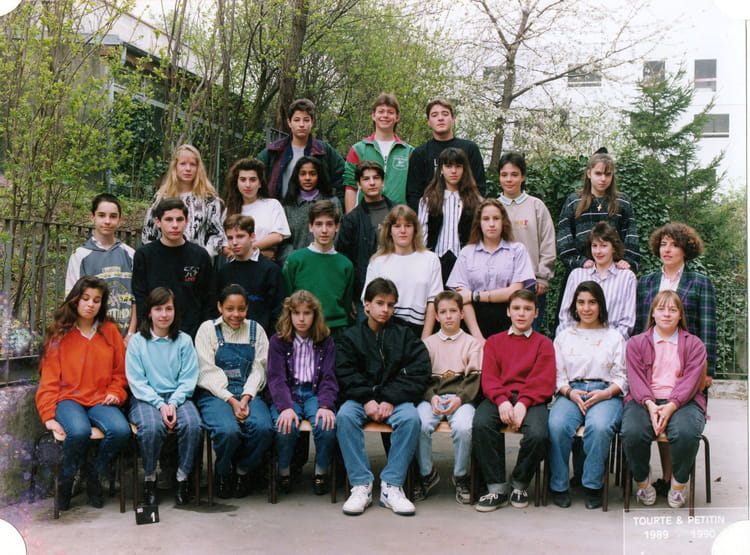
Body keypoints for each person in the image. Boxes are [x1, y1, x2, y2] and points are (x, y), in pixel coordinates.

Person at [335, 278, 431, 516]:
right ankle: (361, 485)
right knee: (345, 416)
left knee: (411, 418)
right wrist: (367, 399)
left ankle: (392, 486)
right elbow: (344, 372)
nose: (385, 309)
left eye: (390, 305)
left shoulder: (405, 336)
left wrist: (389, 398)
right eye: (379, 303)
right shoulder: (350, 336)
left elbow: (418, 372)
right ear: (366, 304)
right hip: (360, 400)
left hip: (395, 401)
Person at [35, 276, 130, 511]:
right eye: (85, 298)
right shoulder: (59, 334)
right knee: (78, 432)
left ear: (102, 304)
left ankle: (94, 475)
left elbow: (120, 372)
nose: (90, 304)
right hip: (68, 399)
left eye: (97, 300)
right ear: (75, 300)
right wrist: (48, 416)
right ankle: (66, 481)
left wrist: (115, 392)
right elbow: (49, 379)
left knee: (121, 431)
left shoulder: (110, 331)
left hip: (100, 398)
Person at [621, 290, 707, 509]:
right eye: (661, 309)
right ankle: (642, 481)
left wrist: (671, 406)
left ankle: (678, 484)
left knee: (686, 433)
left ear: (680, 315)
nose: (666, 314)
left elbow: (691, 382)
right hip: (643, 400)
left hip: (684, 401)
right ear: (652, 314)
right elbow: (636, 380)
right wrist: (650, 405)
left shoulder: (694, 344)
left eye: (672, 309)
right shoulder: (636, 343)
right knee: (632, 432)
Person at [472, 289, 555, 512]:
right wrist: (502, 401)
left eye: (527, 309)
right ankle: (496, 487)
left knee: (539, 434)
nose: (521, 313)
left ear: (536, 313)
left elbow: (543, 380)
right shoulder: (494, 342)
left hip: (532, 399)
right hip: (500, 396)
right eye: (516, 308)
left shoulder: (544, 344)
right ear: (508, 311)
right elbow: (489, 378)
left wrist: (523, 403)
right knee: (481, 424)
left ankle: (519, 483)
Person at [548, 281, 627, 510]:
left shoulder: (615, 337)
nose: (586, 308)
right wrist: (570, 392)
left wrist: (606, 393)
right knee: (557, 425)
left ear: (600, 305)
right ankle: (559, 485)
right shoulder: (564, 336)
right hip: (571, 391)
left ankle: (593, 485)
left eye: (592, 302)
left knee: (599, 427)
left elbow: (622, 376)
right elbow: (557, 375)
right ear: (574, 306)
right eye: (581, 302)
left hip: (606, 392)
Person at [194, 284, 274, 498]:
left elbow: (259, 368)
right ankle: (223, 471)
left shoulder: (256, 330)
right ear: (220, 307)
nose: (236, 314)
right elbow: (206, 371)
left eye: (241, 309)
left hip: (249, 392)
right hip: (215, 394)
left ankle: (243, 471)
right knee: (227, 431)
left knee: (264, 428)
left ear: (247, 308)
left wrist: (246, 398)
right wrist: (231, 400)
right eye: (230, 309)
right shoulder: (207, 330)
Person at [126, 287, 202, 506]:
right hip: (146, 397)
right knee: (151, 428)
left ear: (175, 311)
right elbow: (137, 381)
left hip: (178, 396)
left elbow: (188, 378)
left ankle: (181, 478)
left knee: (193, 425)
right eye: (158, 309)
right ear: (149, 312)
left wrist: (174, 402)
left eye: (169, 309)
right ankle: (150, 479)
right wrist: (160, 404)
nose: (163, 314)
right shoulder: (137, 342)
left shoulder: (184, 341)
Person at [266, 290, 338, 495]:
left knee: (326, 425)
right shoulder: (278, 341)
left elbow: (329, 376)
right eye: (296, 313)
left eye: (307, 313)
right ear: (289, 315)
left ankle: (321, 471)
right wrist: (285, 407)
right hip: (289, 393)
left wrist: (326, 405)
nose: (301, 319)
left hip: (315, 393)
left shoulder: (326, 341)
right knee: (285, 426)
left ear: (315, 315)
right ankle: (284, 471)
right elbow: (276, 378)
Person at [414, 290, 482, 505]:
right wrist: (431, 397)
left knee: (464, 427)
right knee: (419, 423)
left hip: (461, 398)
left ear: (462, 314)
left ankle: (461, 476)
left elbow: (474, 378)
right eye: (443, 312)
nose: (448, 316)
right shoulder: (428, 344)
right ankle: (427, 473)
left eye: (453, 311)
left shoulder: (472, 343)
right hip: (433, 397)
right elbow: (421, 378)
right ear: (436, 316)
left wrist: (460, 399)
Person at [635, 222, 716, 383]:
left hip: (687, 361)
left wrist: (708, 369)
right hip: (650, 360)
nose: (667, 249)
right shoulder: (645, 282)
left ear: (685, 250)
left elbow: (708, 329)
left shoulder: (700, 282)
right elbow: (640, 325)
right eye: (663, 244)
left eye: (674, 245)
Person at [447, 199, 535, 340]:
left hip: (508, 322)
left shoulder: (517, 250)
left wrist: (474, 296)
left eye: (496, 218)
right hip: (473, 324)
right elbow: (463, 298)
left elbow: (515, 291)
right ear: (479, 223)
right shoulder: (467, 253)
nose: (492, 224)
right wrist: (477, 337)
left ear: (503, 221)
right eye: (486, 219)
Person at [132, 197, 214, 338]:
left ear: (187, 221)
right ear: (158, 222)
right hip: (154, 333)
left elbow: (209, 298)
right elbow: (140, 298)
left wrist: (204, 333)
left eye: (179, 219)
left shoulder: (199, 255)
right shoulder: (144, 255)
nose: (175, 225)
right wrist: (146, 331)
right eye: (169, 220)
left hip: (192, 333)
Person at [362, 205, 442, 339]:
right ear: (389, 230)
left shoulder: (431, 259)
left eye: (408, 226)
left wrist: (425, 340)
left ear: (415, 229)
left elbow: (433, 302)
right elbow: (368, 303)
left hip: (418, 330)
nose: (403, 231)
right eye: (397, 226)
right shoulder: (378, 261)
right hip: (384, 329)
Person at [65, 193, 136, 341]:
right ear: (92, 217)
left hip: (126, 339)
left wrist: (130, 334)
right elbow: (71, 300)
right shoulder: (80, 256)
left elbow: (137, 299)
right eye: (102, 215)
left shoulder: (130, 254)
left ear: (120, 220)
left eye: (113, 216)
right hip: (92, 337)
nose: (107, 221)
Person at [497, 152, 556, 330]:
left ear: (523, 177)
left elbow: (548, 242)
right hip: (500, 285)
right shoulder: (493, 207)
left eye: (514, 174)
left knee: (529, 336)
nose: (509, 179)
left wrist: (543, 277)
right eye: (504, 175)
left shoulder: (536, 206)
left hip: (531, 284)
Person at [556, 149, 640, 272]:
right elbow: (564, 236)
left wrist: (627, 261)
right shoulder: (574, 201)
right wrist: (578, 261)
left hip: (615, 270)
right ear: (589, 174)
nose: (603, 179)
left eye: (608, 174)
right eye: (598, 173)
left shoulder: (623, 201)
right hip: (581, 270)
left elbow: (630, 234)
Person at [141, 144, 227, 258]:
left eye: (192, 164)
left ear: (198, 168)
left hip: (197, 262)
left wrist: (203, 255)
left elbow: (217, 234)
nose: (188, 169)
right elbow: (149, 233)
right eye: (183, 164)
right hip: (164, 260)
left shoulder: (208, 200)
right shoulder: (161, 197)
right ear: (175, 167)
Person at [282, 200, 353, 336]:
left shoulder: (345, 264)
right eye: (319, 224)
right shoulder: (295, 260)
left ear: (337, 227)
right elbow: (287, 297)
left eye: (329, 224)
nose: (324, 230)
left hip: (336, 330)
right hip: (303, 329)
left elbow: (347, 303)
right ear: (310, 227)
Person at [336, 160, 395, 321]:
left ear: (382, 181)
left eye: (376, 178)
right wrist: (349, 296)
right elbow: (344, 261)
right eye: (366, 179)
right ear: (359, 184)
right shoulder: (351, 220)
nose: (372, 182)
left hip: (397, 285)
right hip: (364, 291)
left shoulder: (397, 212)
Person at [556, 222, 636, 340]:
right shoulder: (577, 275)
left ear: (614, 248)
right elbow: (565, 317)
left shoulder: (626, 277)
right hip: (578, 342)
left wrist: (605, 344)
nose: (598, 251)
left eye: (604, 246)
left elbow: (627, 322)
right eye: (594, 246)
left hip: (612, 344)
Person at [406, 98, 486, 210]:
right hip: (431, 215)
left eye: (445, 114)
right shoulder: (420, 153)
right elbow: (413, 194)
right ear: (428, 122)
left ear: (453, 118)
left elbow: (480, 187)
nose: (440, 118)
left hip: (466, 213)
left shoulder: (470, 148)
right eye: (434, 115)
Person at [257, 98, 345, 200]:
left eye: (306, 120)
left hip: (315, 208)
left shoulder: (323, 150)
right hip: (279, 207)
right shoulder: (274, 150)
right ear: (289, 122)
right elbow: (253, 176)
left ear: (312, 122)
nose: (301, 124)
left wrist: (335, 205)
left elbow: (343, 178)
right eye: (297, 120)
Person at [418, 147, 483, 283]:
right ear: (441, 170)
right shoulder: (428, 200)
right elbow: (422, 233)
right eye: (448, 166)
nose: (453, 171)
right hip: (436, 261)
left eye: (458, 166)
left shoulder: (476, 201)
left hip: (466, 262)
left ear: (464, 169)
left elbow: (479, 234)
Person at [343, 93, 413, 211]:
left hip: (399, 217)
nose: (385, 115)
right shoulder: (358, 149)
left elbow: (414, 190)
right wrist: (350, 218)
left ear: (397, 117)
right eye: (381, 111)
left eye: (390, 112)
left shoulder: (408, 152)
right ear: (373, 115)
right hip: (366, 216)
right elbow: (350, 187)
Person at [216, 214, 285, 333]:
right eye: (230, 238)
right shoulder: (224, 272)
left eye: (240, 236)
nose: (234, 242)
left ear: (252, 236)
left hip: (262, 338)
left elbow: (278, 311)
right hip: (229, 337)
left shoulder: (271, 270)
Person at [221, 158, 290, 261]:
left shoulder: (272, 205)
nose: (248, 185)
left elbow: (277, 236)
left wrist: (248, 250)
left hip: (266, 265)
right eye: (243, 179)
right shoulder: (229, 211)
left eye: (253, 180)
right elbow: (225, 246)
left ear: (260, 183)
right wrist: (258, 252)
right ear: (237, 182)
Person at [279, 156, 342, 264]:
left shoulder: (333, 202)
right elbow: (283, 242)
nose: (307, 178)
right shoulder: (287, 206)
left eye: (312, 174)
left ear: (319, 176)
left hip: (327, 263)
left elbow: (338, 236)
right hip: (297, 264)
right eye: (303, 174)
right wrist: (296, 259)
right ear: (297, 176)